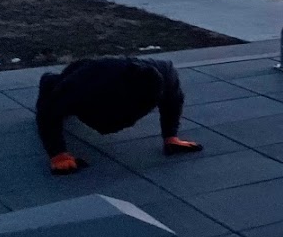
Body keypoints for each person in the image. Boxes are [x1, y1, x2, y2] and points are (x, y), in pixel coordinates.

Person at [35, 56, 204, 175]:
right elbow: (48, 111)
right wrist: (58, 154)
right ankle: (48, 80)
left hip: (117, 83)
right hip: (83, 73)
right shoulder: (86, 82)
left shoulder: (166, 75)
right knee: (60, 98)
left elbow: (173, 102)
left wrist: (171, 137)